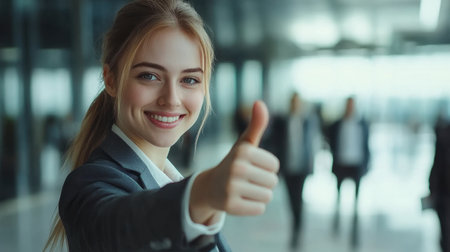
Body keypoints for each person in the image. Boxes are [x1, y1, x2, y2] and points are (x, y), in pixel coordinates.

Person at [44, 0, 279, 251]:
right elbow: (117, 230)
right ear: (111, 80)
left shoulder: (172, 182)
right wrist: (201, 193)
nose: (171, 99)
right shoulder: (88, 184)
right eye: (150, 76)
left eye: (189, 79)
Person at [326, 96, 370, 248]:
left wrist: (367, 165)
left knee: (356, 199)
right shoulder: (337, 124)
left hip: (356, 164)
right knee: (338, 194)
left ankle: (354, 229)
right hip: (341, 163)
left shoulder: (362, 124)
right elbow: (331, 141)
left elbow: (366, 145)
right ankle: (337, 222)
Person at [279, 93, 320, 249]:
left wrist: (312, 166)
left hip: (302, 167)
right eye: (293, 102)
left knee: (299, 199)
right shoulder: (283, 121)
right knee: (291, 199)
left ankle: (298, 229)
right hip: (288, 167)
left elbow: (312, 144)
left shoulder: (308, 121)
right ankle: (295, 224)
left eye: (298, 103)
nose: (296, 105)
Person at [428, 109, 450, 252]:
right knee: (446, 238)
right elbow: (437, 164)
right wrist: (432, 190)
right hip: (444, 194)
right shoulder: (444, 134)